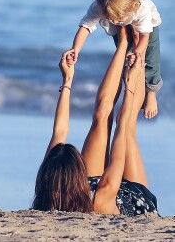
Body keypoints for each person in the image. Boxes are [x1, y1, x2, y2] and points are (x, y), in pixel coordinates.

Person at [32, 27, 159, 216]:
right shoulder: (102, 196)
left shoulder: (46, 187)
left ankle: (123, 43)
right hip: (133, 200)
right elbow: (121, 128)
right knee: (128, 126)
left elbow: (59, 132)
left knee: (101, 115)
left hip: (83, 191)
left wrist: (67, 78)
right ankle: (141, 46)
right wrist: (130, 86)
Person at [71, 0, 162, 119]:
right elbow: (85, 27)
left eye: (118, 20)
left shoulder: (141, 5)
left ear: (134, 5)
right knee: (125, 58)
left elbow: (144, 36)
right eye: (111, 19)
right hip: (122, 20)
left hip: (148, 25)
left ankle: (151, 93)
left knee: (150, 58)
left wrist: (137, 52)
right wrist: (75, 49)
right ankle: (130, 91)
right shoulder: (100, 5)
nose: (115, 22)